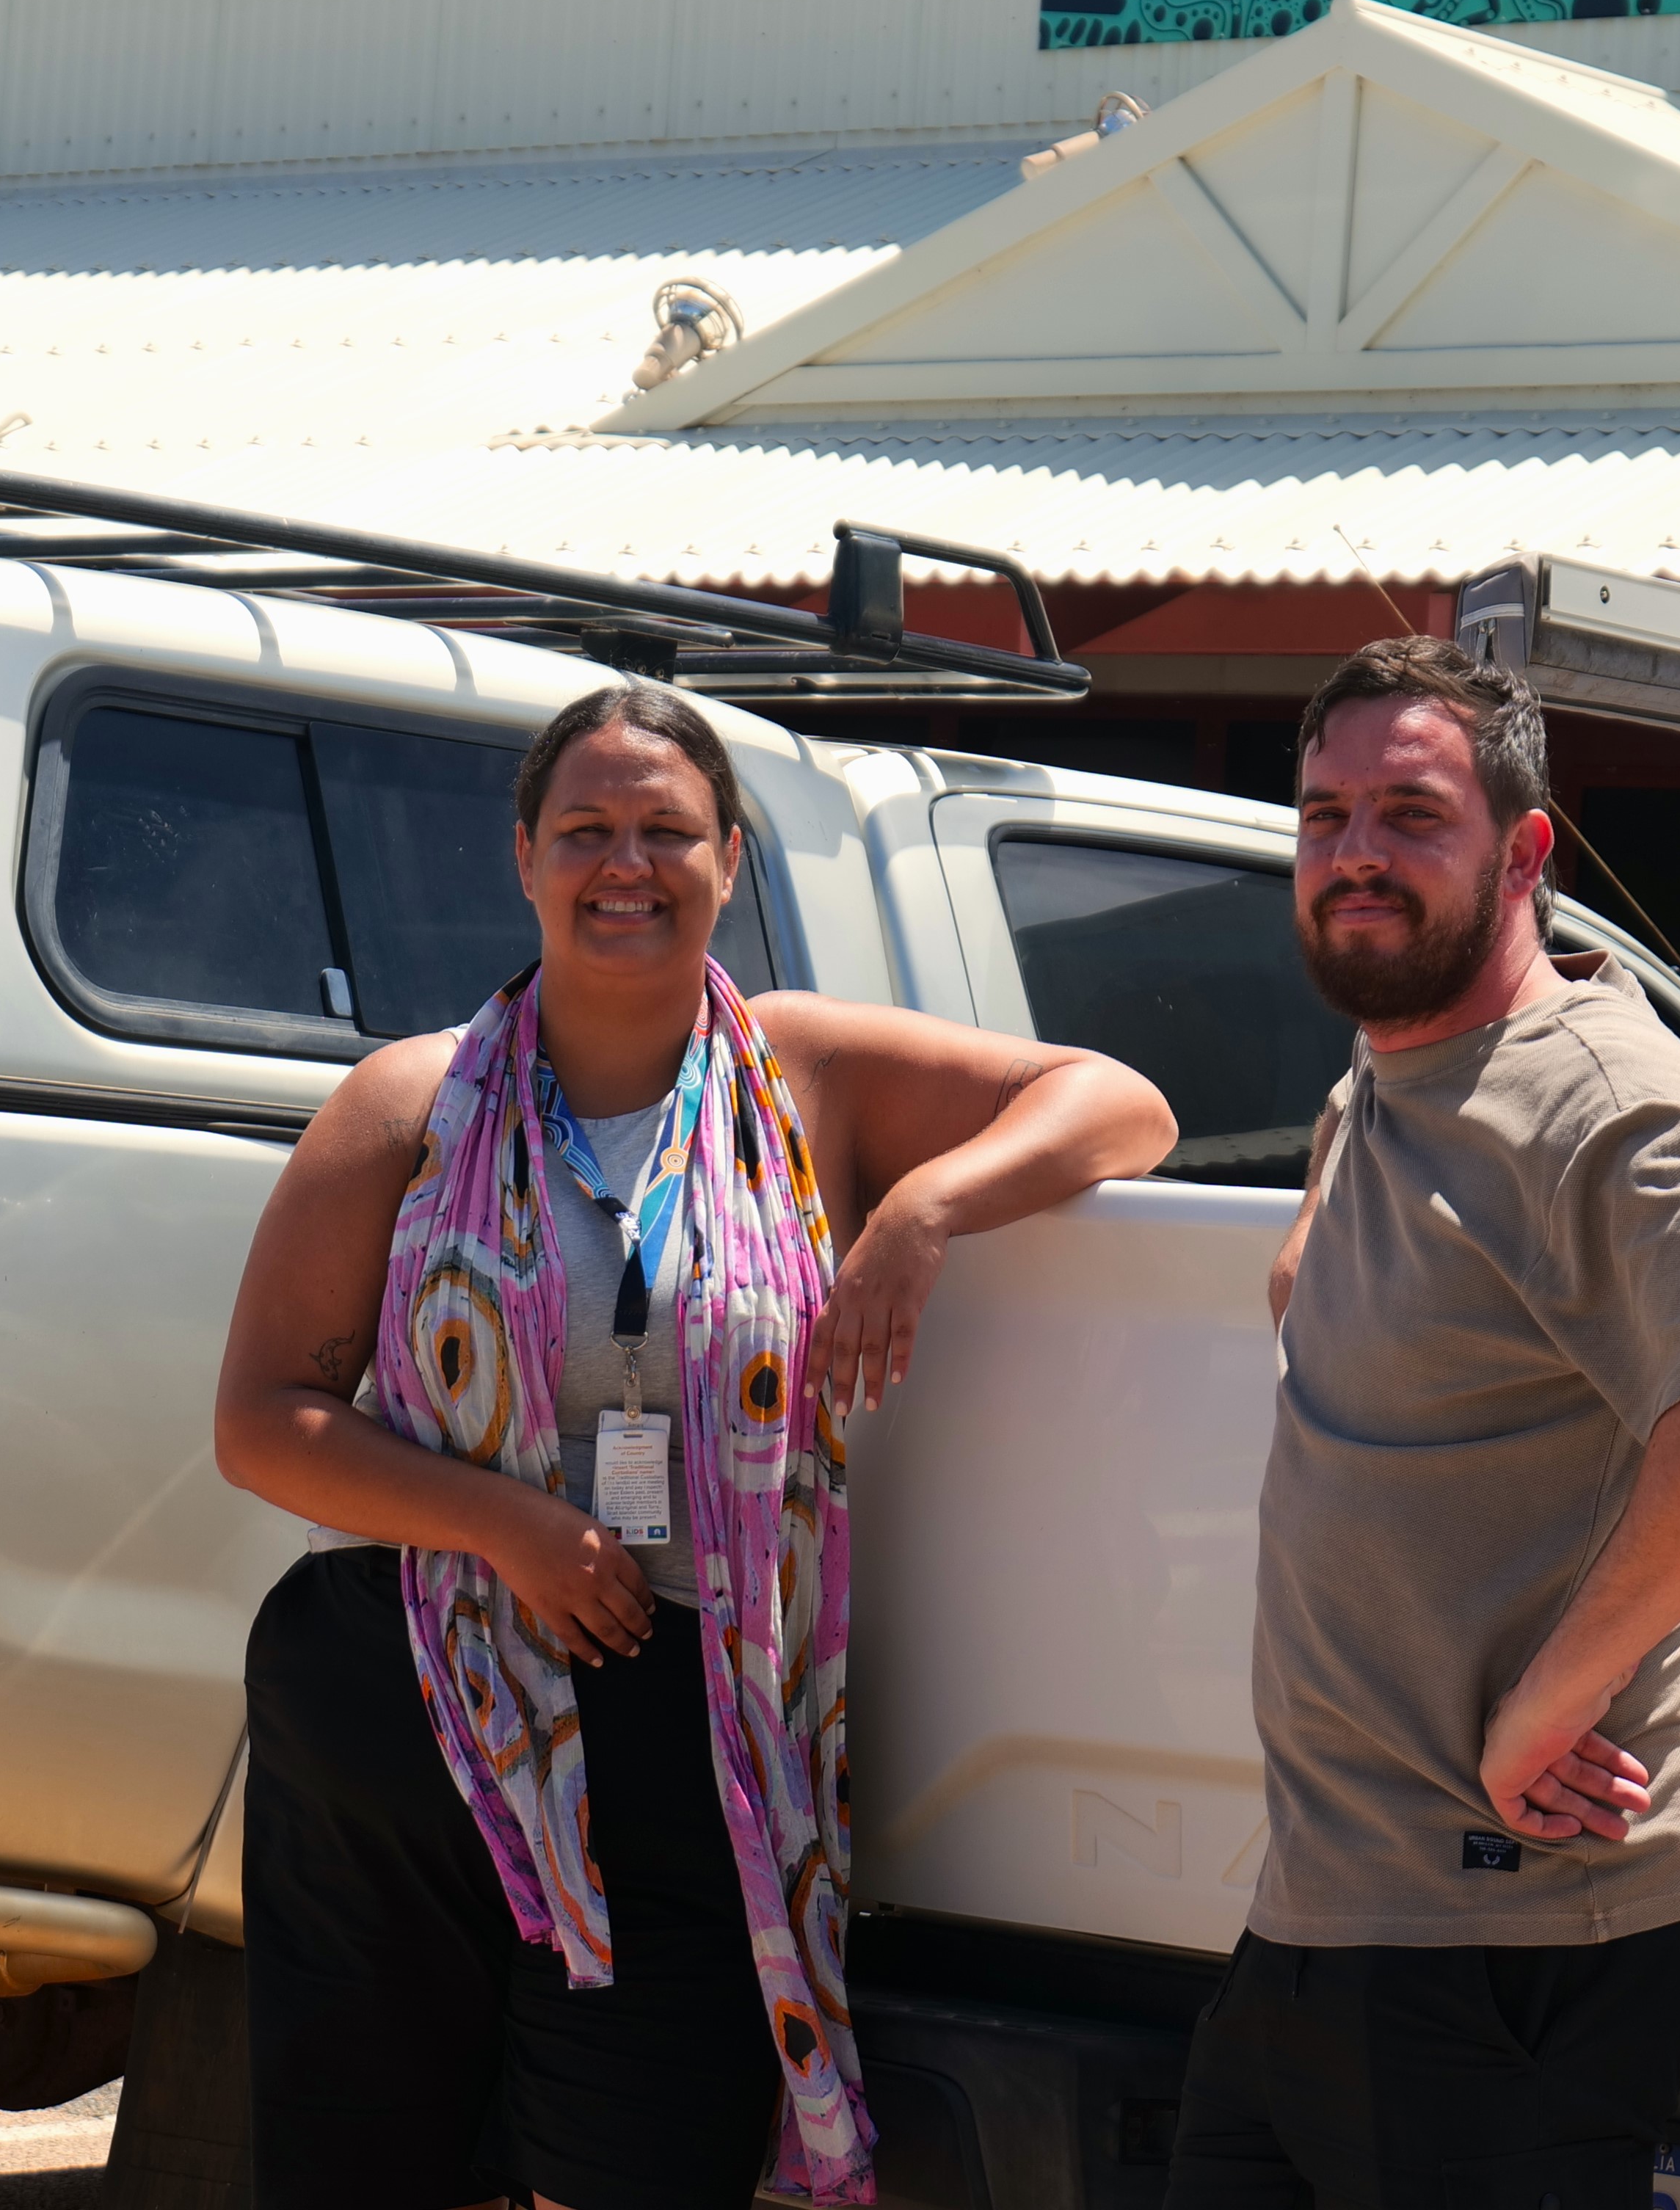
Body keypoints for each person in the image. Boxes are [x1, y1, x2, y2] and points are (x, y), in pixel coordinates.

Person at [214, 677, 1177, 2210]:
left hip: (694, 1720)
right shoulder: (411, 1102)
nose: (626, 863)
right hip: (412, 1699)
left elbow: (1120, 1104)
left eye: (668, 829)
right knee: (376, 2168)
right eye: (585, 827)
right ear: (523, 855)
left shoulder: (806, 1078)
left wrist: (925, 1206)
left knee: (641, 2156)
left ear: (732, 857)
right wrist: (498, 1522)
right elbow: (263, 1417)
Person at [1168, 636, 1680, 2210]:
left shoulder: (1603, 1092)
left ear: (1524, 849)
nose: (1356, 853)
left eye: (1413, 813)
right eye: (1326, 813)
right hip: (1332, 1907)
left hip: (1518, 1921)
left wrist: (1555, 1694)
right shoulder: (1386, 1079)